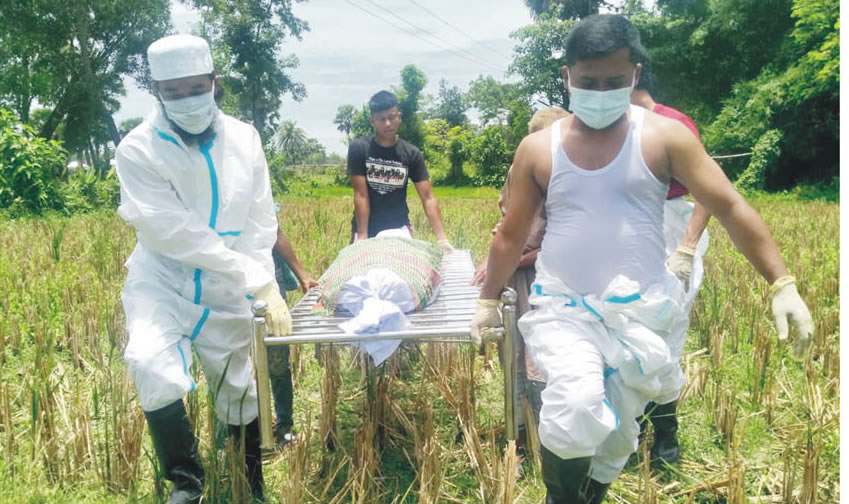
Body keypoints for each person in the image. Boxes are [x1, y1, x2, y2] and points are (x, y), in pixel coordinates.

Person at [470, 15, 813, 504]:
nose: (601, 92)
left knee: (616, 434)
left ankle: (590, 492)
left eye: (614, 81)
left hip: (641, 311)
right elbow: (510, 234)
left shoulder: (664, 137)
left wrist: (781, 282)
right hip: (564, 307)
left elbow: (730, 206)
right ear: (567, 77)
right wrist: (486, 302)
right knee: (574, 405)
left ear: (634, 74)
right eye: (588, 83)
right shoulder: (538, 149)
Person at [115, 34, 292, 504]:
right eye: (172, 92)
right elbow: (172, 233)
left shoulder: (244, 139)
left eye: (196, 87)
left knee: (239, 388)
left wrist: (265, 284)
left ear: (215, 82)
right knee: (151, 365)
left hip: (226, 286)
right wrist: (252, 276)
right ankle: (186, 479)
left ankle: (247, 482)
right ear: (156, 92)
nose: (186, 99)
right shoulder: (137, 149)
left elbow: (259, 221)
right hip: (163, 280)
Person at [628, 52, 713, 464]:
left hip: (672, 230)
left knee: (667, 331)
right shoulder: (615, 127)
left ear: (634, 77)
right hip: (629, 233)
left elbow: (711, 192)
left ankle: (666, 433)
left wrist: (686, 248)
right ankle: (633, 426)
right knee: (627, 330)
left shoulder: (673, 124)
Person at [471, 106, 569, 453]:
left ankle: (549, 438)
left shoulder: (572, 171)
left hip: (552, 275)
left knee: (545, 357)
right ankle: (522, 432)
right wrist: (497, 259)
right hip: (521, 274)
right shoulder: (522, 168)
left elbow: (565, 237)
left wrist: (512, 258)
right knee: (515, 354)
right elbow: (510, 227)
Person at [347, 90, 453, 249]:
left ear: (399, 117)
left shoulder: (412, 153)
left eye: (391, 117)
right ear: (372, 121)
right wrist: (362, 236)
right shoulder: (359, 149)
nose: (387, 124)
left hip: (398, 228)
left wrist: (442, 239)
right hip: (367, 228)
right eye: (381, 119)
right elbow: (361, 195)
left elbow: (428, 197)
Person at [267, 222, 318, 448]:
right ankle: (230, 437)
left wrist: (302, 276)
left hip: (270, 285)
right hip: (226, 286)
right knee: (230, 364)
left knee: (278, 358)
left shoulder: (256, 189)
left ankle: (284, 427)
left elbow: (276, 231)